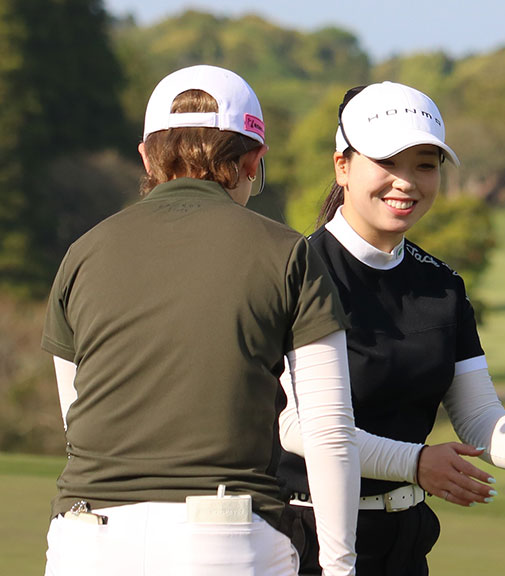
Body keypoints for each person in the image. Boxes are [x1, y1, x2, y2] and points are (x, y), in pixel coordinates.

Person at [41, 65, 360, 576]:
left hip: (86, 541)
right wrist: (341, 567)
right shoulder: (287, 252)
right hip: (227, 538)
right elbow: (329, 432)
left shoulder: (81, 254)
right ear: (255, 160)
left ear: (145, 154)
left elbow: (75, 422)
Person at [276, 81, 505, 575]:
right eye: (387, 162)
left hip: (405, 542)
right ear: (343, 167)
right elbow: (298, 430)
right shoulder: (295, 272)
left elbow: (478, 414)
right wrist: (415, 463)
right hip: (302, 542)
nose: (406, 182)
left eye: (424, 164)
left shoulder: (442, 286)